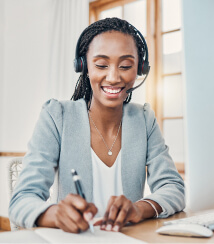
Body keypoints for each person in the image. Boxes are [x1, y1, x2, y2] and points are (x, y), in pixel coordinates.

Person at [8, 17, 185, 233]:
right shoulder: (57, 117)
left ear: (140, 68)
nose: (113, 77)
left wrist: (140, 208)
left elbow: (174, 188)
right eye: (101, 65)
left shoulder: (144, 119)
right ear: (84, 66)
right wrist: (55, 214)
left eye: (126, 66)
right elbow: (21, 200)